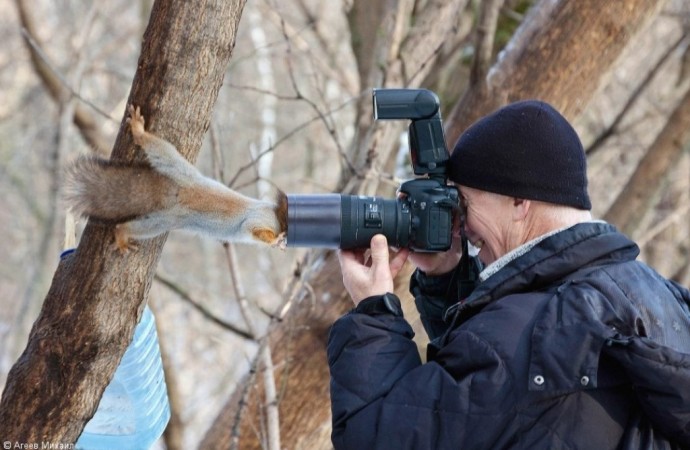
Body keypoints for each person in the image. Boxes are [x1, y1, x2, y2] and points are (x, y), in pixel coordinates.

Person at [329, 100, 690, 449]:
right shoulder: (659, 296)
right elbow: (489, 411)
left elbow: (379, 435)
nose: (462, 225)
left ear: (519, 202)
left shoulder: (525, 336)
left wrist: (373, 315)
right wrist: (447, 280)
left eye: (464, 204)